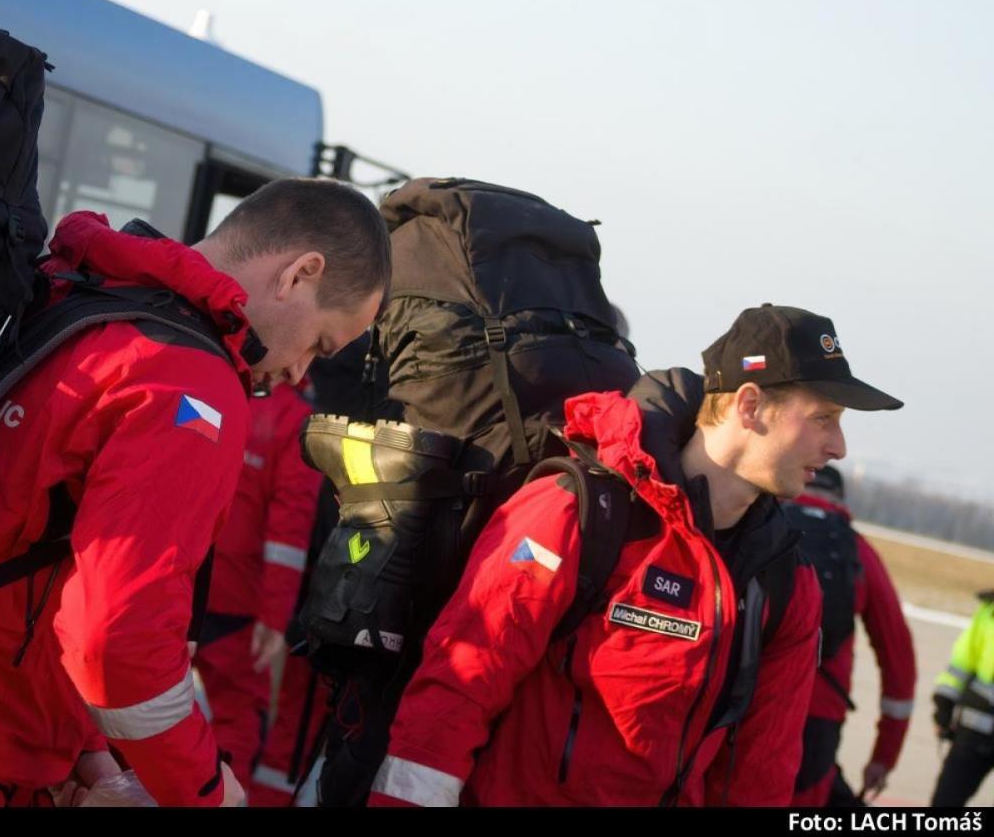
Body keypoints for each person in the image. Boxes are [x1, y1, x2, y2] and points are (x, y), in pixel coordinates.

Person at [0, 177, 391, 807]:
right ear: (300, 273)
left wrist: (83, 747)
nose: (300, 372)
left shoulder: (87, 291)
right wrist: (207, 794)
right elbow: (119, 642)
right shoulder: (190, 384)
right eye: (320, 342)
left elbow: (19, 539)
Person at [371, 304, 902, 806]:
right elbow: (461, 682)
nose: (839, 447)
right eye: (824, 417)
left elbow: (759, 774)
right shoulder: (577, 515)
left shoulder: (785, 579)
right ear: (749, 405)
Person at [193, 380, 321, 796]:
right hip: (240, 608)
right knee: (235, 726)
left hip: (184, 590)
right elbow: (288, 529)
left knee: (152, 712)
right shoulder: (292, 421)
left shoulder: (211, 389)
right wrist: (274, 616)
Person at [787, 465, 915, 806]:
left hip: (745, 694)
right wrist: (884, 755)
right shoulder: (858, 552)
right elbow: (898, 659)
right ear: (841, 500)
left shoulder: (763, 526)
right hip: (819, 711)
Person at [930, 590, 994, 805]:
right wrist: (944, 706)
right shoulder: (989, 610)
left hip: (976, 727)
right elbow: (962, 663)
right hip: (976, 728)